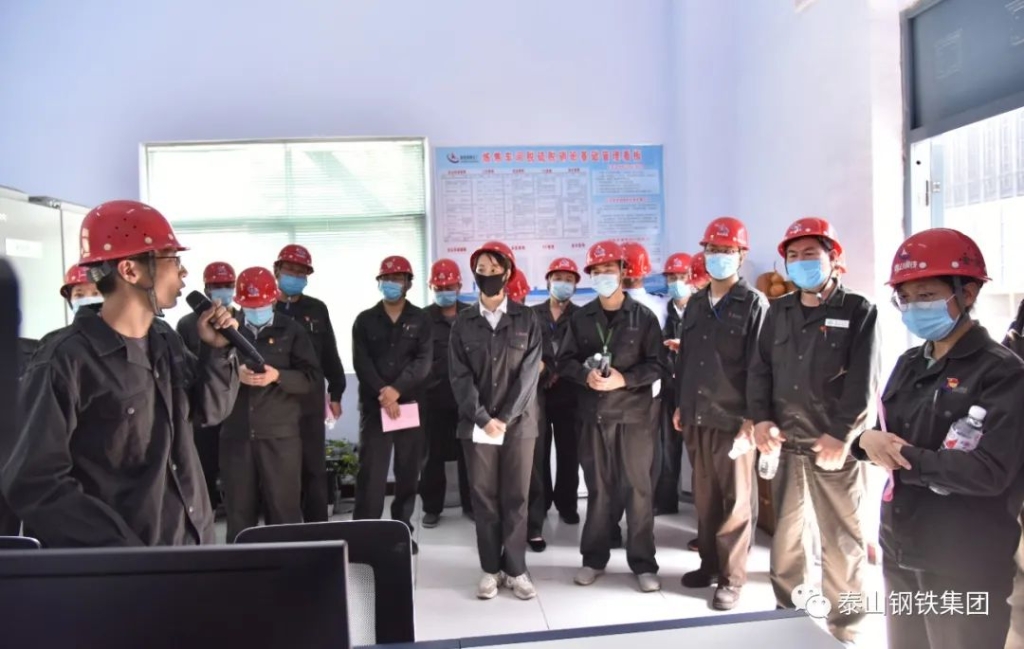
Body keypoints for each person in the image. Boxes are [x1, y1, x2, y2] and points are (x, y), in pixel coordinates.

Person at [2, 199, 240, 547]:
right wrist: (118, 547)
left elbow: (210, 411)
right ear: (130, 270)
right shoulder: (64, 360)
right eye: (172, 259)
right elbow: (34, 482)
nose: (184, 273)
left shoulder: (165, 340)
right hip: (118, 563)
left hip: (188, 546)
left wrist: (217, 352)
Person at [852, 229, 1024, 649]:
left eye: (926, 295)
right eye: (905, 298)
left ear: (967, 293)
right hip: (901, 543)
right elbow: (881, 432)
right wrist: (863, 442)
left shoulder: (1002, 372)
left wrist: (902, 456)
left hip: (962, 556)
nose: (914, 307)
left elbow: (988, 471)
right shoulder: (909, 362)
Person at [747, 218, 879, 641]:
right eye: (793, 255)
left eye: (810, 254)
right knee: (787, 539)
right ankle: (789, 615)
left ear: (833, 257)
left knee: (841, 542)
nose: (801, 262)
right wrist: (761, 419)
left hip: (835, 448)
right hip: (786, 442)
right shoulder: (778, 311)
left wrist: (842, 434)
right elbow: (760, 370)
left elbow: (864, 383)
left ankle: (846, 629)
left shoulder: (858, 310)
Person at [558, 240, 665, 593]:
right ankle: (593, 559)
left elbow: (658, 365)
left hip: (634, 418)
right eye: (597, 271)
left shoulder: (643, 318)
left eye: (609, 270)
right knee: (599, 490)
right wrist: (583, 375)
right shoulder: (580, 318)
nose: (603, 276)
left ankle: (643, 563)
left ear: (622, 272)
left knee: (638, 490)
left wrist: (625, 379)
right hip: (594, 417)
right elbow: (565, 361)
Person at [672, 217, 767, 610]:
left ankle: (732, 578)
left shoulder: (754, 304)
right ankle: (709, 565)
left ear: (741, 256)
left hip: (734, 421)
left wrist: (752, 419)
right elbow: (687, 358)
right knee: (705, 497)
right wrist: (681, 403)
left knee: (735, 502)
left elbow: (761, 366)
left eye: (726, 251)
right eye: (712, 249)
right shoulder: (696, 302)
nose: (718, 257)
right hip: (697, 415)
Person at [449, 241, 543, 600]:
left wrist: (503, 417)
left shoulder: (527, 319)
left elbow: (529, 375)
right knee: (484, 498)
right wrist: (483, 418)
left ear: (508, 274)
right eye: (481, 270)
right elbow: (459, 376)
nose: (486, 275)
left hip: (519, 425)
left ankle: (516, 569)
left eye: (493, 269)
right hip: (477, 426)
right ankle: (490, 569)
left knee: (517, 498)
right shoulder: (463, 322)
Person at [219, 267, 319, 543]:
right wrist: (235, 375)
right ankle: (242, 564)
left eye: (261, 305)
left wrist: (278, 377)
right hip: (237, 435)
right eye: (249, 306)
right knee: (239, 512)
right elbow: (208, 375)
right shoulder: (226, 331)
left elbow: (311, 379)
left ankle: (288, 564)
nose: (256, 310)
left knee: (284, 510)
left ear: (273, 300)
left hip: (280, 435)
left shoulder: (292, 330)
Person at [352, 255, 432, 553]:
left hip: (410, 405)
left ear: (408, 283)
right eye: (386, 279)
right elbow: (361, 362)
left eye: (397, 279)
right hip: (375, 407)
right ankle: (365, 534)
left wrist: (397, 390)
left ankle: (402, 529)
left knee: (408, 472)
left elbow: (423, 361)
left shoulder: (421, 319)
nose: (391, 284)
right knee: (371, 474)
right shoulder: (364, 320)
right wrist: (384, 393)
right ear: (379, 283)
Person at [274, 244, 347, 523]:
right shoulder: (263, 308)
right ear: (277, 270)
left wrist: (336, 392)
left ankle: (318, 529)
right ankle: (284, 531)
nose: (295, 276)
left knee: (313, 468)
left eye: (301, 272)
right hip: (274, 402)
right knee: (279, 470)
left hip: (310, 401)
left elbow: (329, 353)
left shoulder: (316, 309)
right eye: (290, 270)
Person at [526, 258, 582, 555]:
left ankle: (567, 504)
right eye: (558, 278)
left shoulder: (582, 316)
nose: (563, 283)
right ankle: (541, 503)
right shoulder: (532, 314)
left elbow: (585, 351)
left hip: (570, 392)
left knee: (569, 451)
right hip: (538, 393)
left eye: (569, 279)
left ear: (576, 284)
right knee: (538, 454)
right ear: (548, 281)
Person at [176, 261, 238, 510]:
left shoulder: (241, 320)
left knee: (238, 476)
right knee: (204, 470)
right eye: (216, 285)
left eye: (227, 285)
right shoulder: (187, 324)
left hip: (237, 408)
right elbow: (184, 370)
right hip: (201, 410)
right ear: (206, 288)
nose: (222, 290)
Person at [420, 259, 474, 528]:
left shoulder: (472, 315)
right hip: (434, 398)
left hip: (468, 399)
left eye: (449, 286)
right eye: (439, 287)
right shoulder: (422, 319)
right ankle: (432, 507)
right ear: (431, 287)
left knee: (470, 453)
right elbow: (417, 359)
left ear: (459, 286)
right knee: (432, 456)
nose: (444, 291)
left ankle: (471, 505)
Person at [654, 252, 692, 516]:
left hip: (698, 388)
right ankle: (666, 501)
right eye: (672, 277)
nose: (677, 282)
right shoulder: (662, 310)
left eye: (682, 277)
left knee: (703, 451)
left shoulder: (702, 307)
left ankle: (707, 510)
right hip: (669, 388)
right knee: (667, 447)